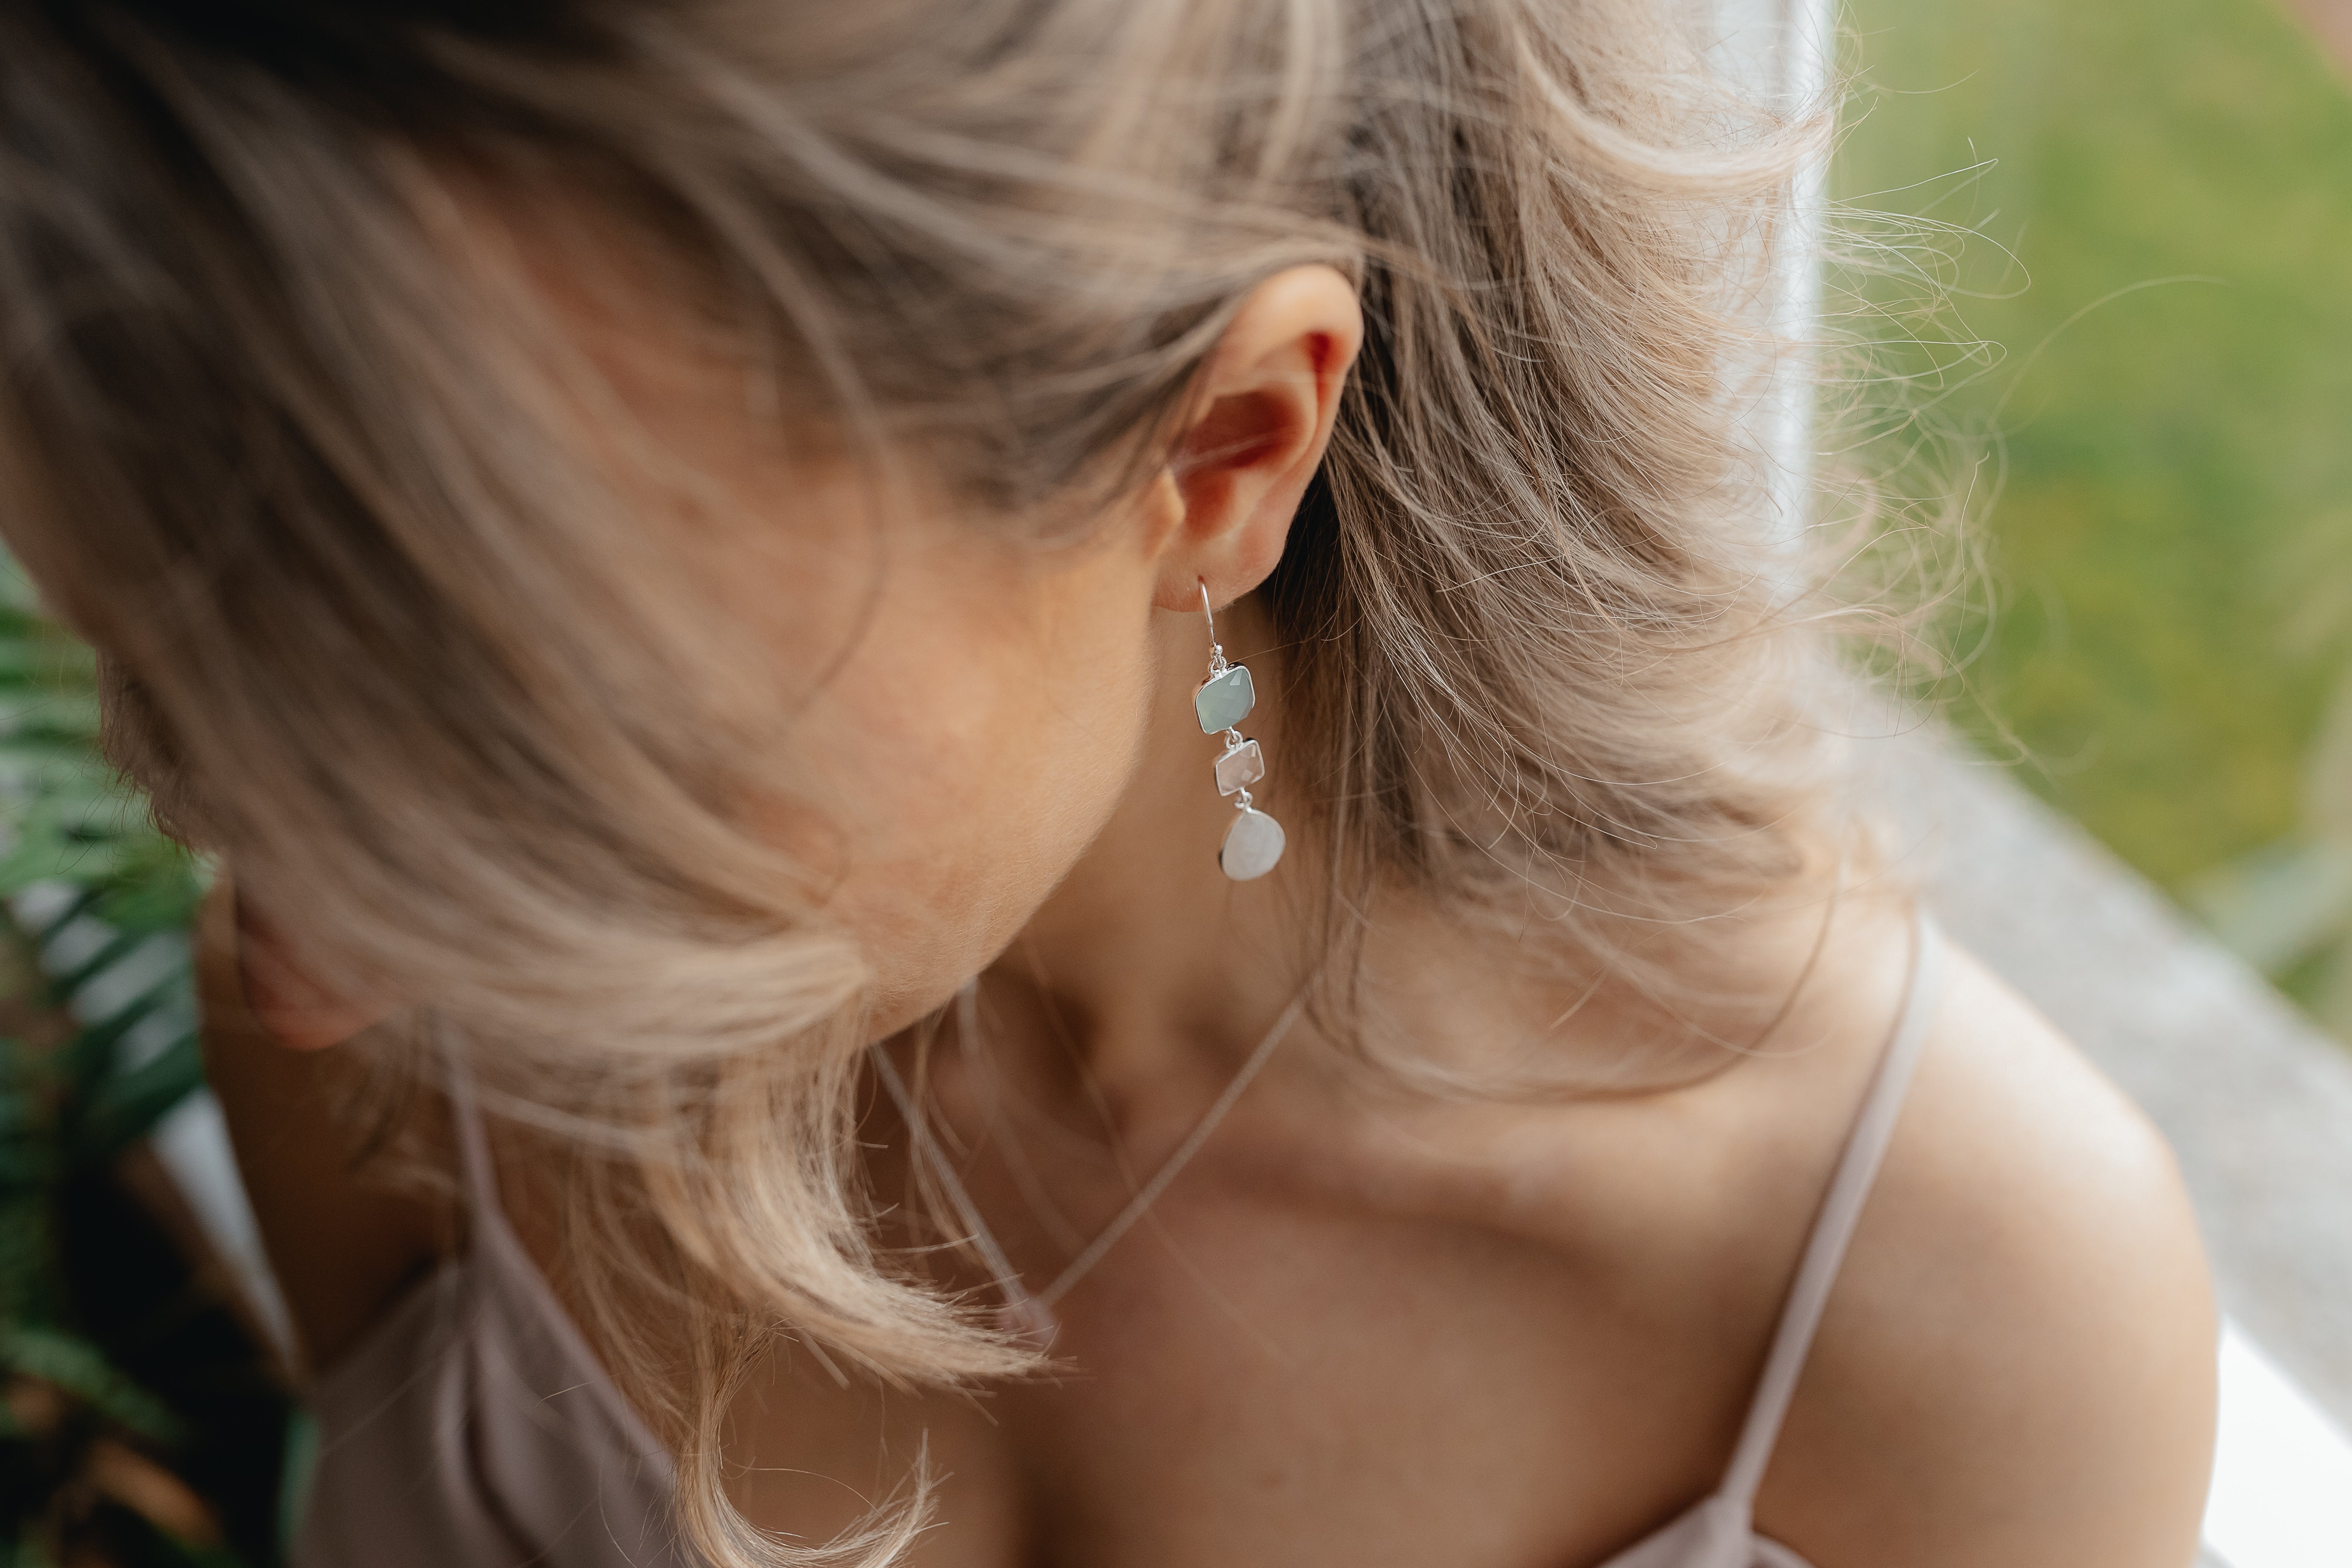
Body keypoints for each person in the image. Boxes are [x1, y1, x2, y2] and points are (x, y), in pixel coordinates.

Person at [0, 2, 2216, 1565]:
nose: (298, 968)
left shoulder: (1945, 1325)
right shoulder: (405, 1057)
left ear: (1223, 453)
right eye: (168, 683)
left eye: (516, 750)